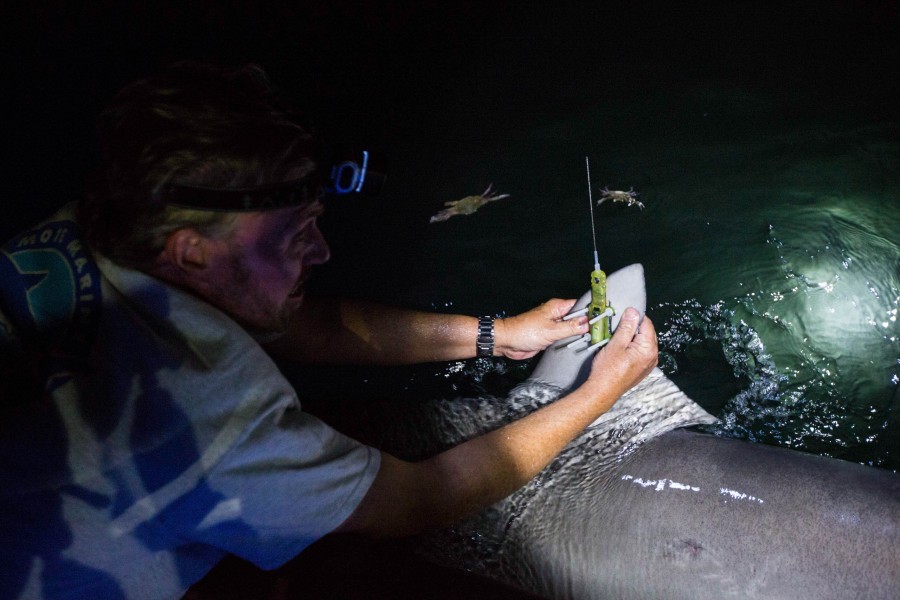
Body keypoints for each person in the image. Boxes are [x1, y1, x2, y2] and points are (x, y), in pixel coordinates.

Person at [0, 61, 657, 600]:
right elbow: (421, 500)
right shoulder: (216, 415)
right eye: (294, 236)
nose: (322, 253)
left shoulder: (95, 227)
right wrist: (597, 398)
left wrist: (500, 334)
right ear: (191, 252)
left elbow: (300, 325)